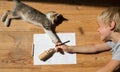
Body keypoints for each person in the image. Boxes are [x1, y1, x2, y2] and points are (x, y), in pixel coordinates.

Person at [55, 7, 120, 72]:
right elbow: (94, 47)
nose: (98, 30)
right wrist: (69, 48)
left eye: (100, 26)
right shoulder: (115, 42)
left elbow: (109, 69)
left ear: (111, 25)